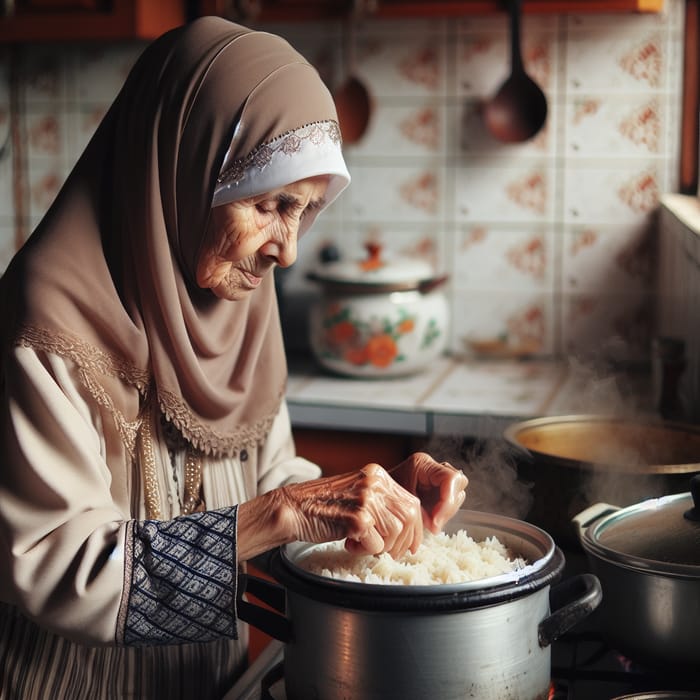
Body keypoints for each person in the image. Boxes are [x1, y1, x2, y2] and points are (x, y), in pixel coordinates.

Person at [0, 16, 468, 699]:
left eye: (303, 212)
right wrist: (285, 511)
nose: (290, 250)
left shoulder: (237, 298)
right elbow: (53, 565)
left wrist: (366, 499)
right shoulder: (43, 320)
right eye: (273, 205)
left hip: (209, 684)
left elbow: (268, 476)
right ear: (187, 168)